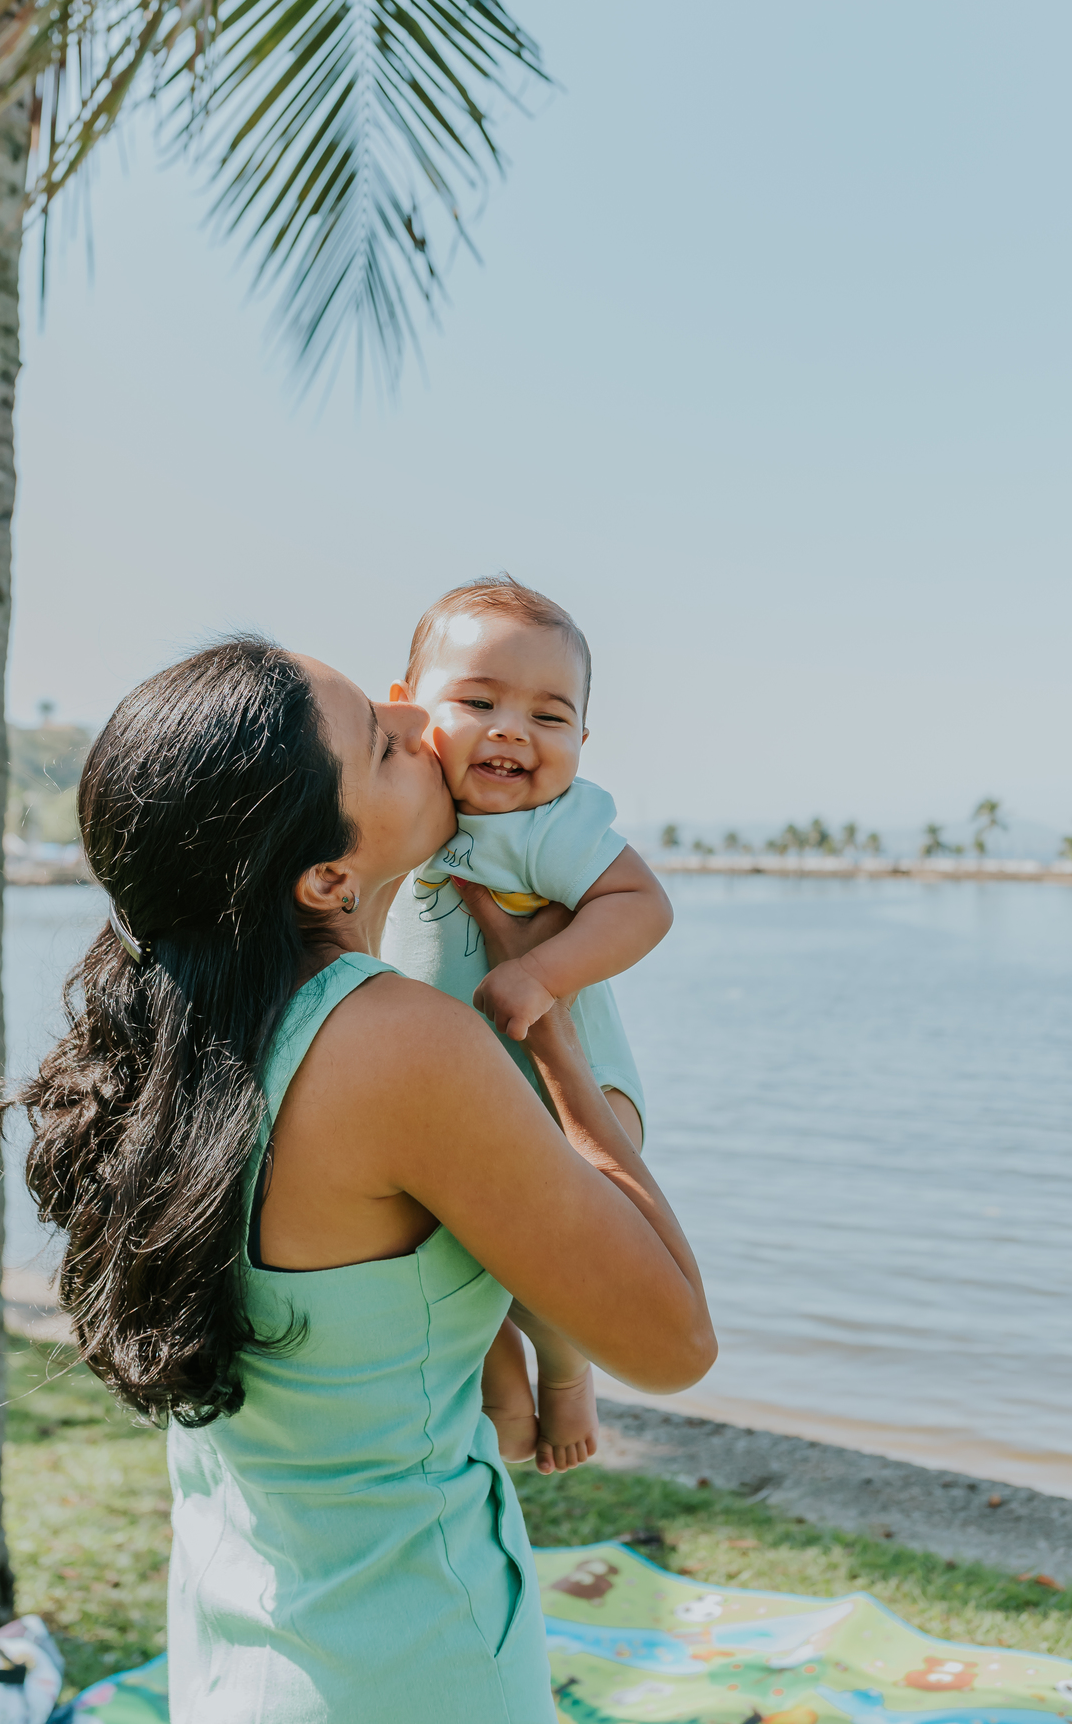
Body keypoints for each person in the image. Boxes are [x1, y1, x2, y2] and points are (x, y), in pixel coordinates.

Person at [13, 637, 715, 1724]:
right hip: (416, 1671)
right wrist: (558, 1037)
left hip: (236, 1650)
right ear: (327, 878)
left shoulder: (172, 1051)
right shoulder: (401, 1046)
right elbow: (673, 1344)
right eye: (386, 743)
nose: (421, 722)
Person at [384, 575, 673, 1474]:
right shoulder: (397, 806)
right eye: (478, 702)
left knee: (553, 1268)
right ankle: (505, 1386)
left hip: (564, 1098)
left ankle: (567, 1368)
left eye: (550, 717)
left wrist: (542, 973)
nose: (512, 731)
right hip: (447, 1104)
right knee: (444, 1257)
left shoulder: (551, 827)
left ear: (581, 742)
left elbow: (642, 904)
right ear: (405, 711)